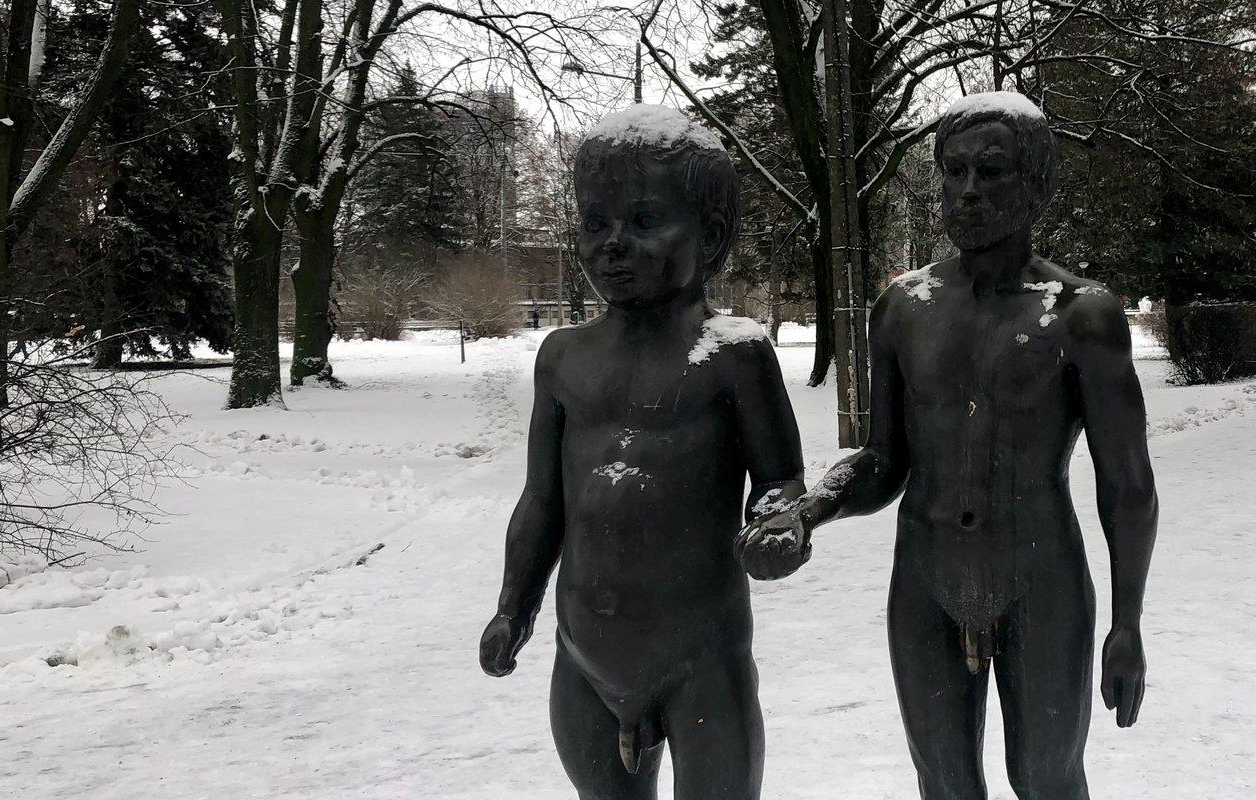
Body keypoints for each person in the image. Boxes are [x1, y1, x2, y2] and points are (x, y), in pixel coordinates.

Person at [737, 91, 1160, 800]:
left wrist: (1128, 624)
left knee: (1047, 778)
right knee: (945, 783)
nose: (967, 192)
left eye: (991, 173)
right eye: (954, 172)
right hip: (926, 578)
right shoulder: (903, 307)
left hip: (1042, 577)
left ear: (1036, 186)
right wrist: (806, 511)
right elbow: (883, 460)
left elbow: (1128, 485)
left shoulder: (1081, 314)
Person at [479, 105, 804, 800]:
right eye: (595, 224)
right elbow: (543, 499)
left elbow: (779, 479)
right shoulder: (563, 357)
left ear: (711, 236)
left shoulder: (733, 354)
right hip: (585, 656)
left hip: (701, 657)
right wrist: (515, 605)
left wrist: (780, 522)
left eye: (645, 221)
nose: (613, 245)